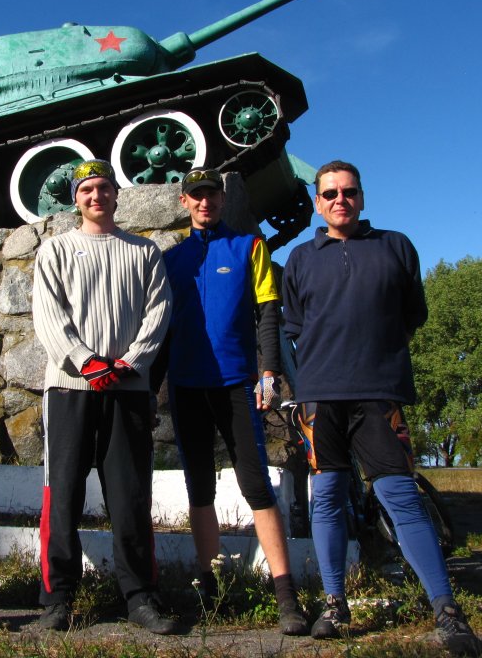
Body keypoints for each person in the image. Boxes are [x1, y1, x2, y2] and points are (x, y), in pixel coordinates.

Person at [281, 160, 481, 655]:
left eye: (349, 192)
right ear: (317, 203)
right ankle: (335, 603)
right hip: (321, 398)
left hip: (378, 393)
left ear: (362, 197)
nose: (340, 200)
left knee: (401, 496)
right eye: (330, 194)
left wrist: (376, 357)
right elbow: (295, 327)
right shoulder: (300, 259)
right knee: (327, 496)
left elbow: (413, 314)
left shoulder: (396, 246)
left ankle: (446, 609)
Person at [157, 168, 308, 635]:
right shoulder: (171, 259)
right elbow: (160, 329)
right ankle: (210, 588)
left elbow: (268, 310)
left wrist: (270, 371)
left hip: (236, 383)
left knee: (256, 486)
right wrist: (149, 389)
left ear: (222, 200)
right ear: (184, 201)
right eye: (197, 195)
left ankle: (286, 596)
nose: (205, 202)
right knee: (199, 488)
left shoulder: (249, 246)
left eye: (212, 195)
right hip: (186, 385)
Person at [31, 159, 174, 634]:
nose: (96, 196)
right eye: (87, 189)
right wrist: (85, 361)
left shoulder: (144, 251)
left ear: (116, 194)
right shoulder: (56, 249)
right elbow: (48, 314)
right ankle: (58, 596)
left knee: (130, 496)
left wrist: (131, 362)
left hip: (127, 388)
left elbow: (159, 312)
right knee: (63, 493)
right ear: (76, 198)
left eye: (104, 188)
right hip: (69, 388)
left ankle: (140, 597)